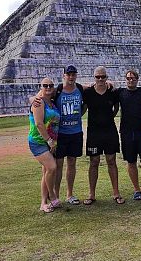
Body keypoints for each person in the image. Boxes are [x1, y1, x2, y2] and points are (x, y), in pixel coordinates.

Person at [83, 66, 125, 205]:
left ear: (106, 77)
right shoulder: (88, 92)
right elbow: (73, 87)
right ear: (94, 78)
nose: (100, 79)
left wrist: (109, 117)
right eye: (97, 77)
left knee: (111, 161)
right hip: (94, 132)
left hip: (109, 131)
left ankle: (116, 192)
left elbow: (117, 107)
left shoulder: (112, 92)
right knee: (94, 162)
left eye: (102, 77)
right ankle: (91, 194)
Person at [116, 70, 141, 201]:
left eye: (133, 78)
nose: (130, 80)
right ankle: (136, 190)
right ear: (125, 79)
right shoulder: (120, 93)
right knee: (131, 161)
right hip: (127, 132)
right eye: (128, 78)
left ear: (137, 79)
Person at [53, 65, 86, 205]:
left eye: (73, 74)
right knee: (58, 164)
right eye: (69, 74)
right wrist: (33, 99)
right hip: (61, 133)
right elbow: (43, 96)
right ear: (64, 75)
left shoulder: (80, 89)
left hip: (76, 132)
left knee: (72, 162)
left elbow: (84, 106)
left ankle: (69, 194)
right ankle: (55, 196)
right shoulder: (57, 91)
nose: (71, 77)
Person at [28, 77, 61, 213]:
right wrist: (49, 140)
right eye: (45, 85)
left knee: (46, 171)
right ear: (40, 87)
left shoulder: (52, 102)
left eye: (50, 85)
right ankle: (52, 195)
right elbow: (39, 124)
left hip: (49, 142)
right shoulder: (38, 102)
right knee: (52, 167)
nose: (48, 88)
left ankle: (43, 203)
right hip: (38, 142)